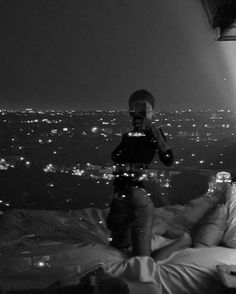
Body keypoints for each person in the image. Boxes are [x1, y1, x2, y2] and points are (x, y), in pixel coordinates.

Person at [107, 89, 174, 257]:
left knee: (142, 258)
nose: (139, 114)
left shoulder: (152, 135)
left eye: (144, 109)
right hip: (120, 197)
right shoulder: (129, 136)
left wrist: (152, 130)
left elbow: (168, 159)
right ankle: (163, 232)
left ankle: (183, 240)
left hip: (137, 197)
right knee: (120, 246)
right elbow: (116, 156)